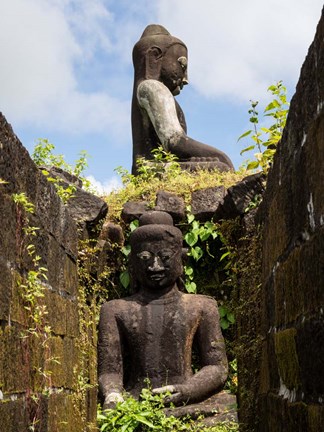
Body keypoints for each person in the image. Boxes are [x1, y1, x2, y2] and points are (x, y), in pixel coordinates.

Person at [98, 211, 228, 409]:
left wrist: (187, 391)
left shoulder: (202, 306)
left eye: (165, 257)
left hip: (188, 400)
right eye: (145, 258)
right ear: (132, 262)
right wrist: (113, 394)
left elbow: (217, 367)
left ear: (181, 261)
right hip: (137, 401)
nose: (155, 266)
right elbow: (110, 371)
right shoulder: (115, 310)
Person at [131, 24, 234, 174]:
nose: (185, 79)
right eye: (182, 66)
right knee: (223, 167)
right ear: (154, 57)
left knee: (219, 165)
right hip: (150, 169)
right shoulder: (152, 88)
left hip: (161, 164)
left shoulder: (149, 89)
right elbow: (174, 141)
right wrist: (221, 155)